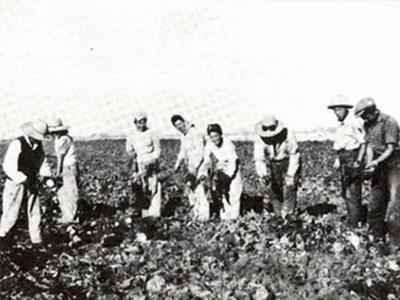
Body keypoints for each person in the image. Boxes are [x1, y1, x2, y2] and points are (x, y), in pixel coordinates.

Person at [354, 97, 400, 250]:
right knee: (375, 202)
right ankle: (375, 239)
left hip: (394, 164)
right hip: (378, 165)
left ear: (372, 111)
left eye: (365, 115)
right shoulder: (368, 125)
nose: (363, 119)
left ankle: (395, 243)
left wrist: (376, 162)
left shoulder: (389, 122)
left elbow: (390, 149)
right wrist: (370, 162)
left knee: (394, 204)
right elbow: (369, 146)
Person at [0, 120, 52, 249]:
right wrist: (22, 178)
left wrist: (47, 177)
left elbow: (42, 163)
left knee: (35, 211)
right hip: (16, 183)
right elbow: (8, 166)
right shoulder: (17, 144)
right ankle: (3, 238)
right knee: (11, 212)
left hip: (32, 181)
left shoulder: (38, 146)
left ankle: (37, 240)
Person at [327, 95, 367, 226]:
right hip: (344, 157)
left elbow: (363, 143)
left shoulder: (354, 122)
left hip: (352, 157)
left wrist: (359, 160)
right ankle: (353, 218)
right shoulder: (342, 124)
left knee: (353, 191)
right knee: (346, 191)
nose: (336, 113)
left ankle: (354, 222)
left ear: (345, 109)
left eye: (338, 109)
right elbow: (341, 144)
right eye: (334, 110)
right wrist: (338, 159)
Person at [254, 115, 301, 218]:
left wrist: (290, 174)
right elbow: (259, 158)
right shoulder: (260, 139)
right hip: (273, 164)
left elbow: (295, 154)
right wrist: (263, 174)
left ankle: (289, 215)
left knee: (289, 189)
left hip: (288, 162)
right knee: (274, 190)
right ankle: (279, 215)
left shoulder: (288, 134)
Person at [199, 123, 242, 220]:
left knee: (234, 193)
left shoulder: (228, 144)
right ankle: (225, 217)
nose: (214, 139)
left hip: (233, 170)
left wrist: (228, 175)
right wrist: (203, 173)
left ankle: (234, 218)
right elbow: (206, 161)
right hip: (220, 169)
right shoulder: (209, 145)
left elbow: (232, 162)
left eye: (216, 136)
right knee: (222, 192)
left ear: (220, 134)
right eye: (212, 137)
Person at [171, 115, 208, 219]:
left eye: (180, 124)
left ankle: (204, 217)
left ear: (184, 122)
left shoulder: (195, 132)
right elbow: (183, 151)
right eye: (176, 126)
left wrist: (195, 168)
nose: (179, 127)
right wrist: (177, 164)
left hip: (199, 165)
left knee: (200, 190)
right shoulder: (184, 135)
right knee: (192, 190)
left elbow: (200, 152)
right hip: (190, 166)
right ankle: (196, 214)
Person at [126, 112, 162, 218]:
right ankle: (144, 213)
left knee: (153, 186)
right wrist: (133, 157)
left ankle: (155, 214)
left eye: (143, 122)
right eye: (139, 123)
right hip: (139, 162)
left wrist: (153, 160)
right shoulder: (131, 135)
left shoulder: (152, 133)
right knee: (141, 187)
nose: (141, 125)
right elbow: (129, 149)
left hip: (151, 162)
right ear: (135, 123)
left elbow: (158, 149)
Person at [48, 118, 79, 225]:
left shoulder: (65, 139)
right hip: (66, 167)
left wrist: (58, 170)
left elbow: (61, 156)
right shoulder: (59, 139)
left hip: (69, 167)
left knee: (71, 192)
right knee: (62, 192)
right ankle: (67, 215)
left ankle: (71, 218)